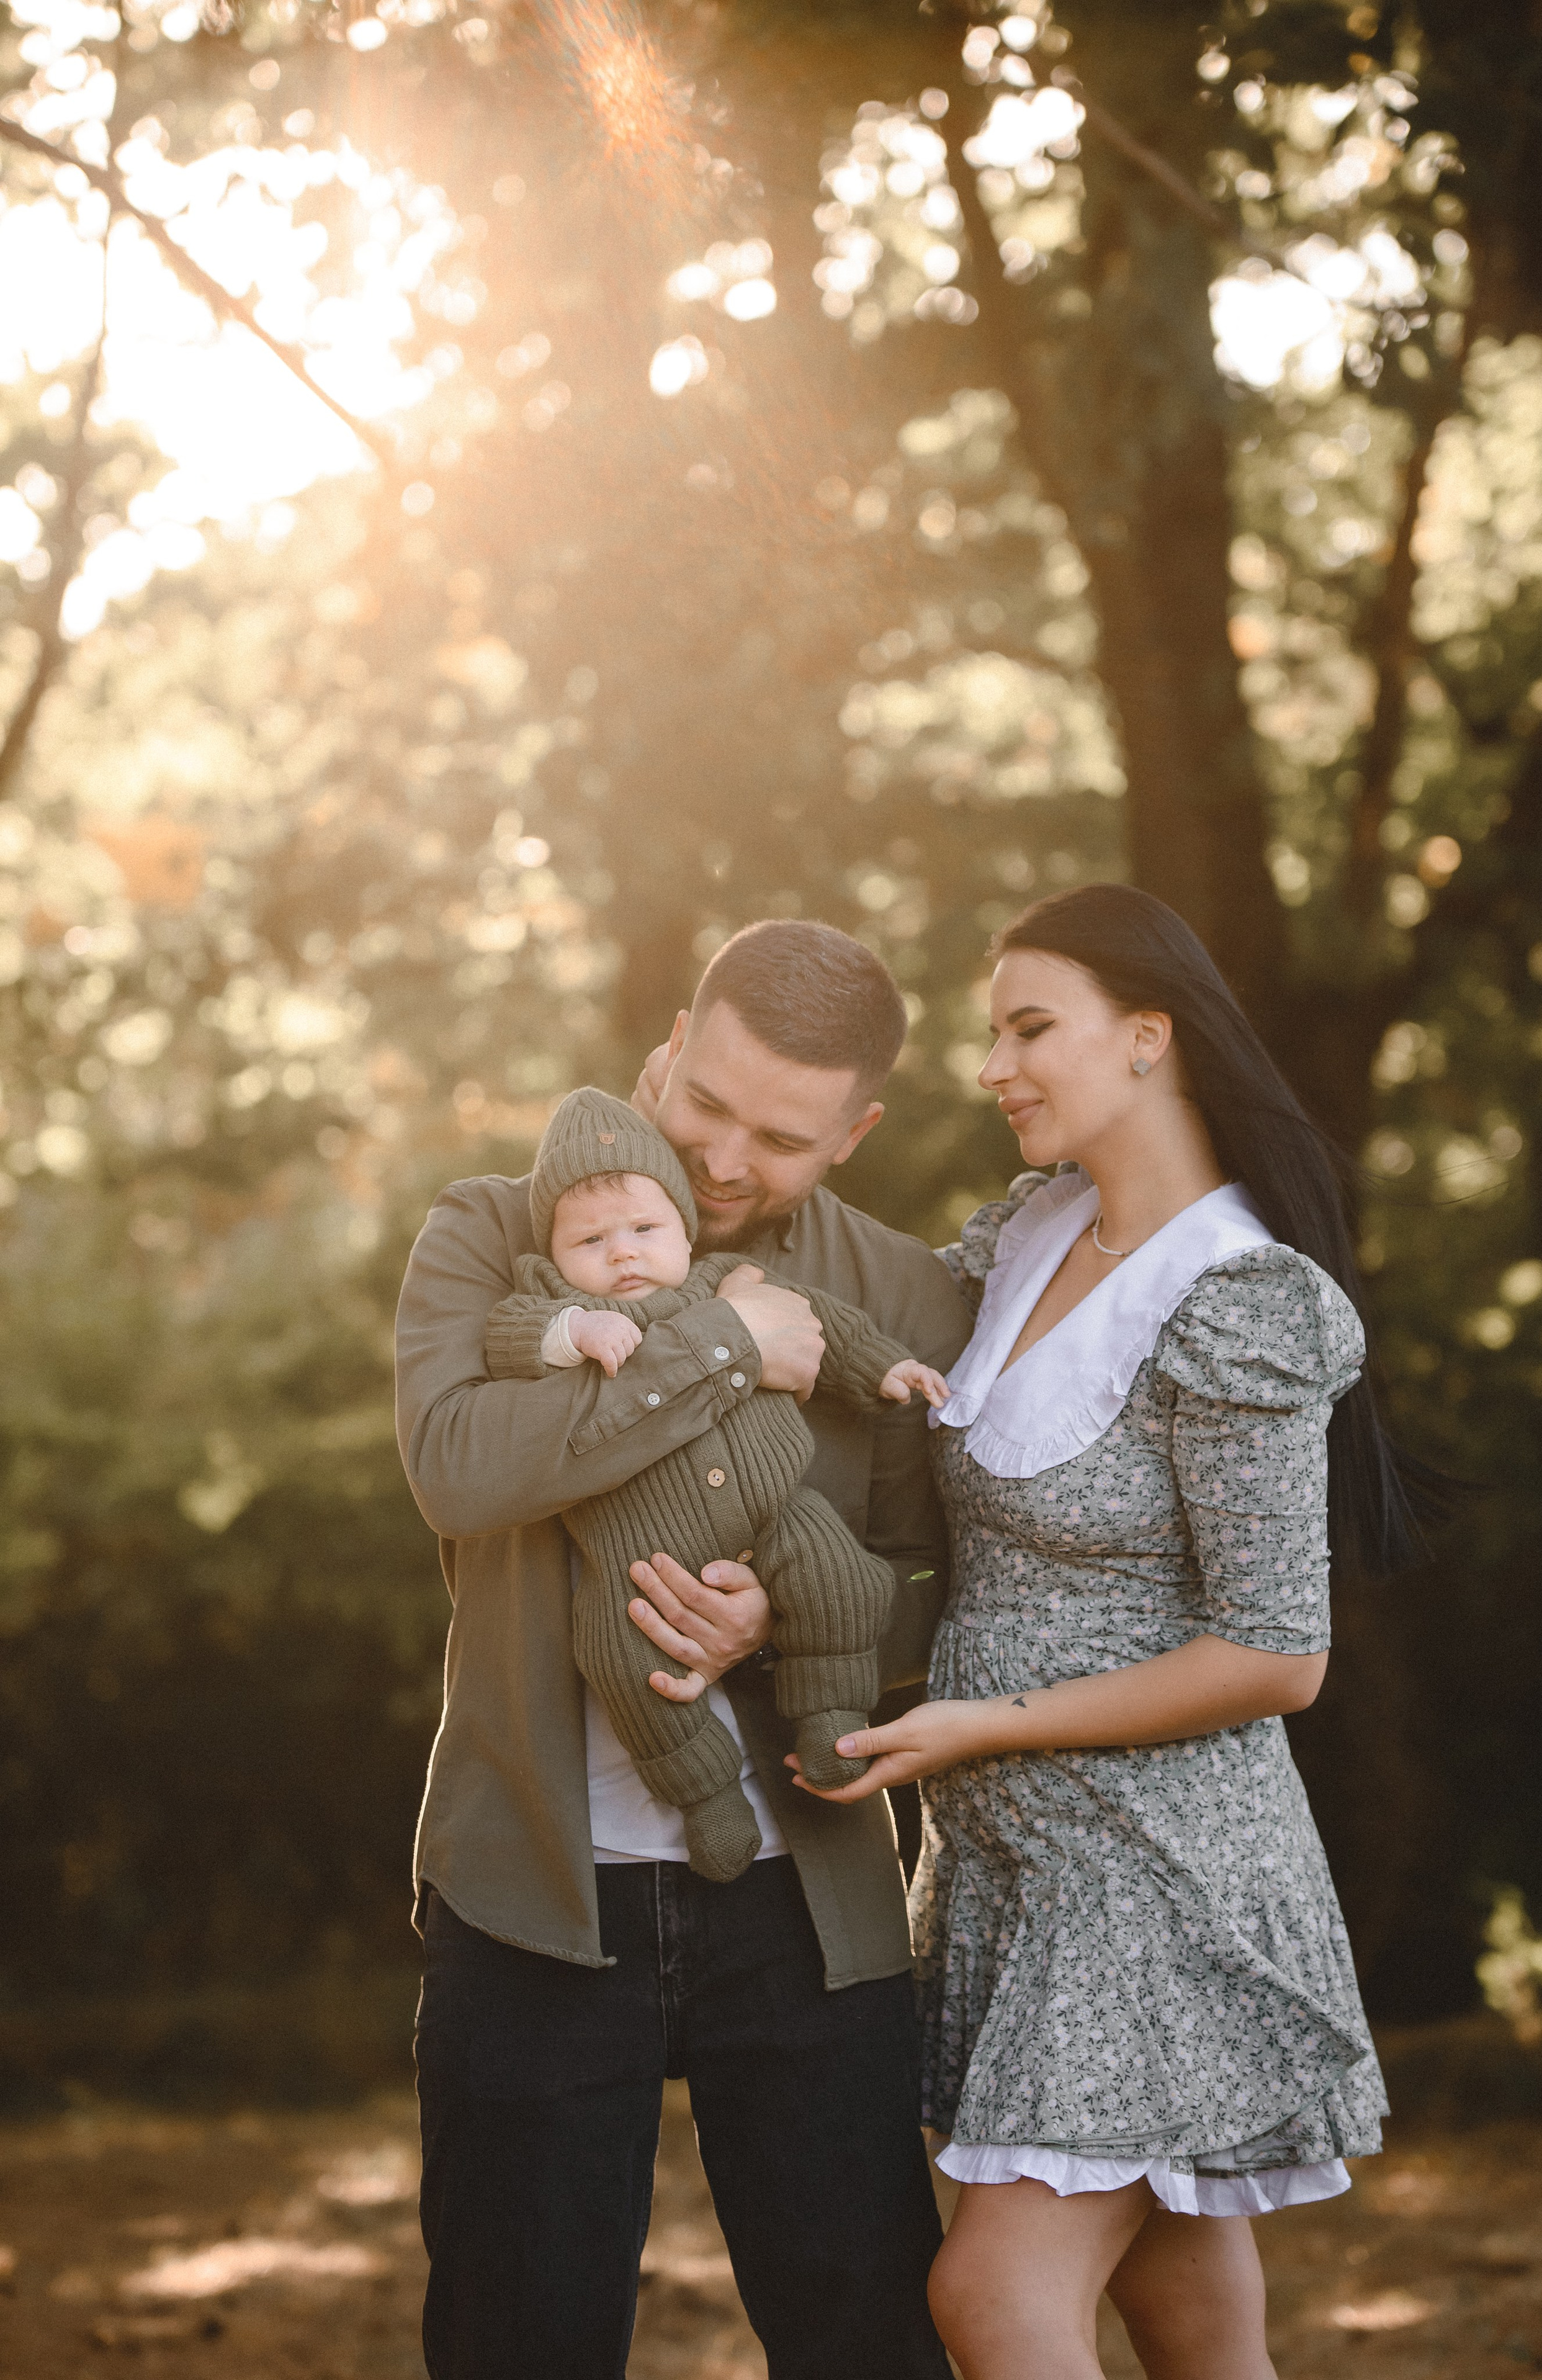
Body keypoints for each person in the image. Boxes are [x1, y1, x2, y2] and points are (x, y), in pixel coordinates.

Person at [791, 886, 1419, 2380]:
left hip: (1154, 1879)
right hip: (1015, 1871)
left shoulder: (1235, 1295)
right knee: (1189, 2320)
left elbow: (1276, 1653)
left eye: (1029, 1027)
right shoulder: (1031, 1229)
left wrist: (983, 1723)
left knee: (993, 2297)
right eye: (990, 1033)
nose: (992, 1066)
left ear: (1147, 1035)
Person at [395, 919, 970, 2380]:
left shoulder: (896, 1292)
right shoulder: (487, 1232)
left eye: (778, 1137)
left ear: (853, 1133)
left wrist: (790, 1620)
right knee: (517, 2343)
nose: (718, 1158)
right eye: (704, 1101)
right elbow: (457, 1466)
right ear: (668, 1045)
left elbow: (948, 1586)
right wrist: (725, 1346)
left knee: (864, 2340)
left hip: (805, 1901)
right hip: (531, 1891)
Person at [480, 1082, 949, 1880]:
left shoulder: (726, 1279)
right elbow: (508, 1338)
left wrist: (881, 1365)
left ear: (682, 1228)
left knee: (840, 1580)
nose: (623, 1252)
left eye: (644, 1229)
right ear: (552, 1256)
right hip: (638, 1560)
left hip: (774, 1513)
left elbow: (822, 1323)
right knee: (623, 1662)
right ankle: (706, 1797)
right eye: (590, 1239)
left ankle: (830, 1718)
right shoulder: (554, 1304)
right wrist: (574, 1329)